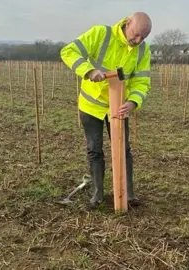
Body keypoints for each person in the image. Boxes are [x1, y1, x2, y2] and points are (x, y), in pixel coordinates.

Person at [60, 12, 152, 208]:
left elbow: (142, 81)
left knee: (124, 150)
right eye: (136, 34)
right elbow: (68, 51)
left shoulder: (143, 51)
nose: (138, 40)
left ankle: (127, 194)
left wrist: (133, 103)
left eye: (143, 37)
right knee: (95, 149)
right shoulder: (101, 34)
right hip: (91, 106)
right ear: (128, 23)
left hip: (118, 107)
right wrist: (88, 70)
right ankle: (97, 195)